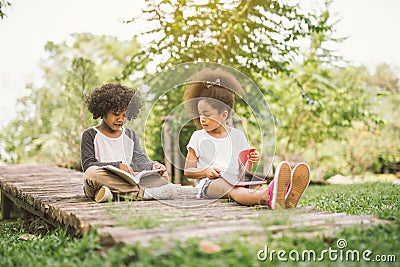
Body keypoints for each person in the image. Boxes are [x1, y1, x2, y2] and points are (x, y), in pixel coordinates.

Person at [183, 68, 310, 208]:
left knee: (256, 185)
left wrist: (250, 161)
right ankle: (266, 197)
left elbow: (243, 172)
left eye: (207, 114)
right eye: (200, 114)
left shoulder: (238, 136)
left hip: (237, 179)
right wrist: (205, 171)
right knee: (231, 188)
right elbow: (188, 171)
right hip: (209, 184)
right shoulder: (198, 137)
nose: (202, 119)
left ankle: (285, 198)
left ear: (223, 115)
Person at [81, 83, 177, 203]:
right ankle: (142, 193)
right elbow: (88, 165)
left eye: (125, 115)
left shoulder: (130, 135)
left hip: (127, 181)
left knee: (162, 176)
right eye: (116, 114)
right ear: (103, 110)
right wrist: (117, 166)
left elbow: (140, 160)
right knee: (91, 174)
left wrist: (153, 166)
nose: (120, 119)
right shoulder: (90, 134)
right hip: (100, 179)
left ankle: (113, 194)